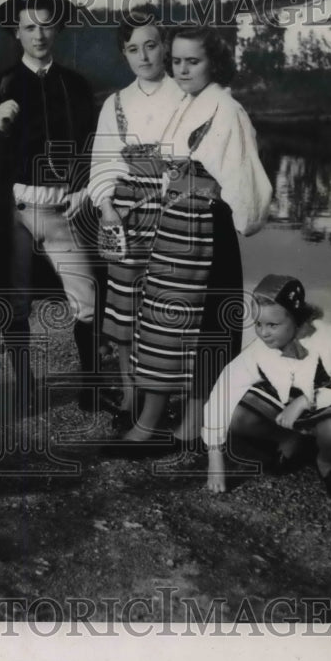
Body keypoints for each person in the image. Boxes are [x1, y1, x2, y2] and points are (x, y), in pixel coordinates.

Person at [105, 25, 272, 454]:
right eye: (176, 60)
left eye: (192, 61)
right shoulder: (191, 104)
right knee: (170, 323)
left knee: (199, 327)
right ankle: (170, 426)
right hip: (177, 225)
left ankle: (172, 427)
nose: (181, 69)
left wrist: (217, 206)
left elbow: (245, 184)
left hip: (205, 233)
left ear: (213, 62)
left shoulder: (226, 109)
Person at [0, 0, 99, 412]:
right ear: (16, 32)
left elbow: (93, 145)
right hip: (16, 209)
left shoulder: (77, 86)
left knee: (87, 299)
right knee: (16, 301)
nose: (39, 35)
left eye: (47, 26)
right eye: (30, 27)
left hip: (63, 209)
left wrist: (85, 188)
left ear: (59, 30)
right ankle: (25, 385)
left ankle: (91, 386)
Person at [88, 4, 186, 430]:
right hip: (126, 215)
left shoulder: (186, 95)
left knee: (167, 309)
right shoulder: (116, 103)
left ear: (164, 47)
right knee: (126, 314)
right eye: (133, 49)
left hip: (177, 211)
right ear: (124, 55)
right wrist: (107, 205)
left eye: (151, 45)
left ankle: (168, 400)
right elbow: (103, 162)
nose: (144, 56)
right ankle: (130, 397)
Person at [204, 275, 331, 499]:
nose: (263, 333)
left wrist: (307, 400)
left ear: (297, 319)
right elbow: (224, 388)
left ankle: (327, 461)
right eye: (258, 324)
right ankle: (289, 438)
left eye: (273, 325)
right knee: (235, 415)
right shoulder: (260, 349)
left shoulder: (326, 339)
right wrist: (215, 456)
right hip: (298, 408)